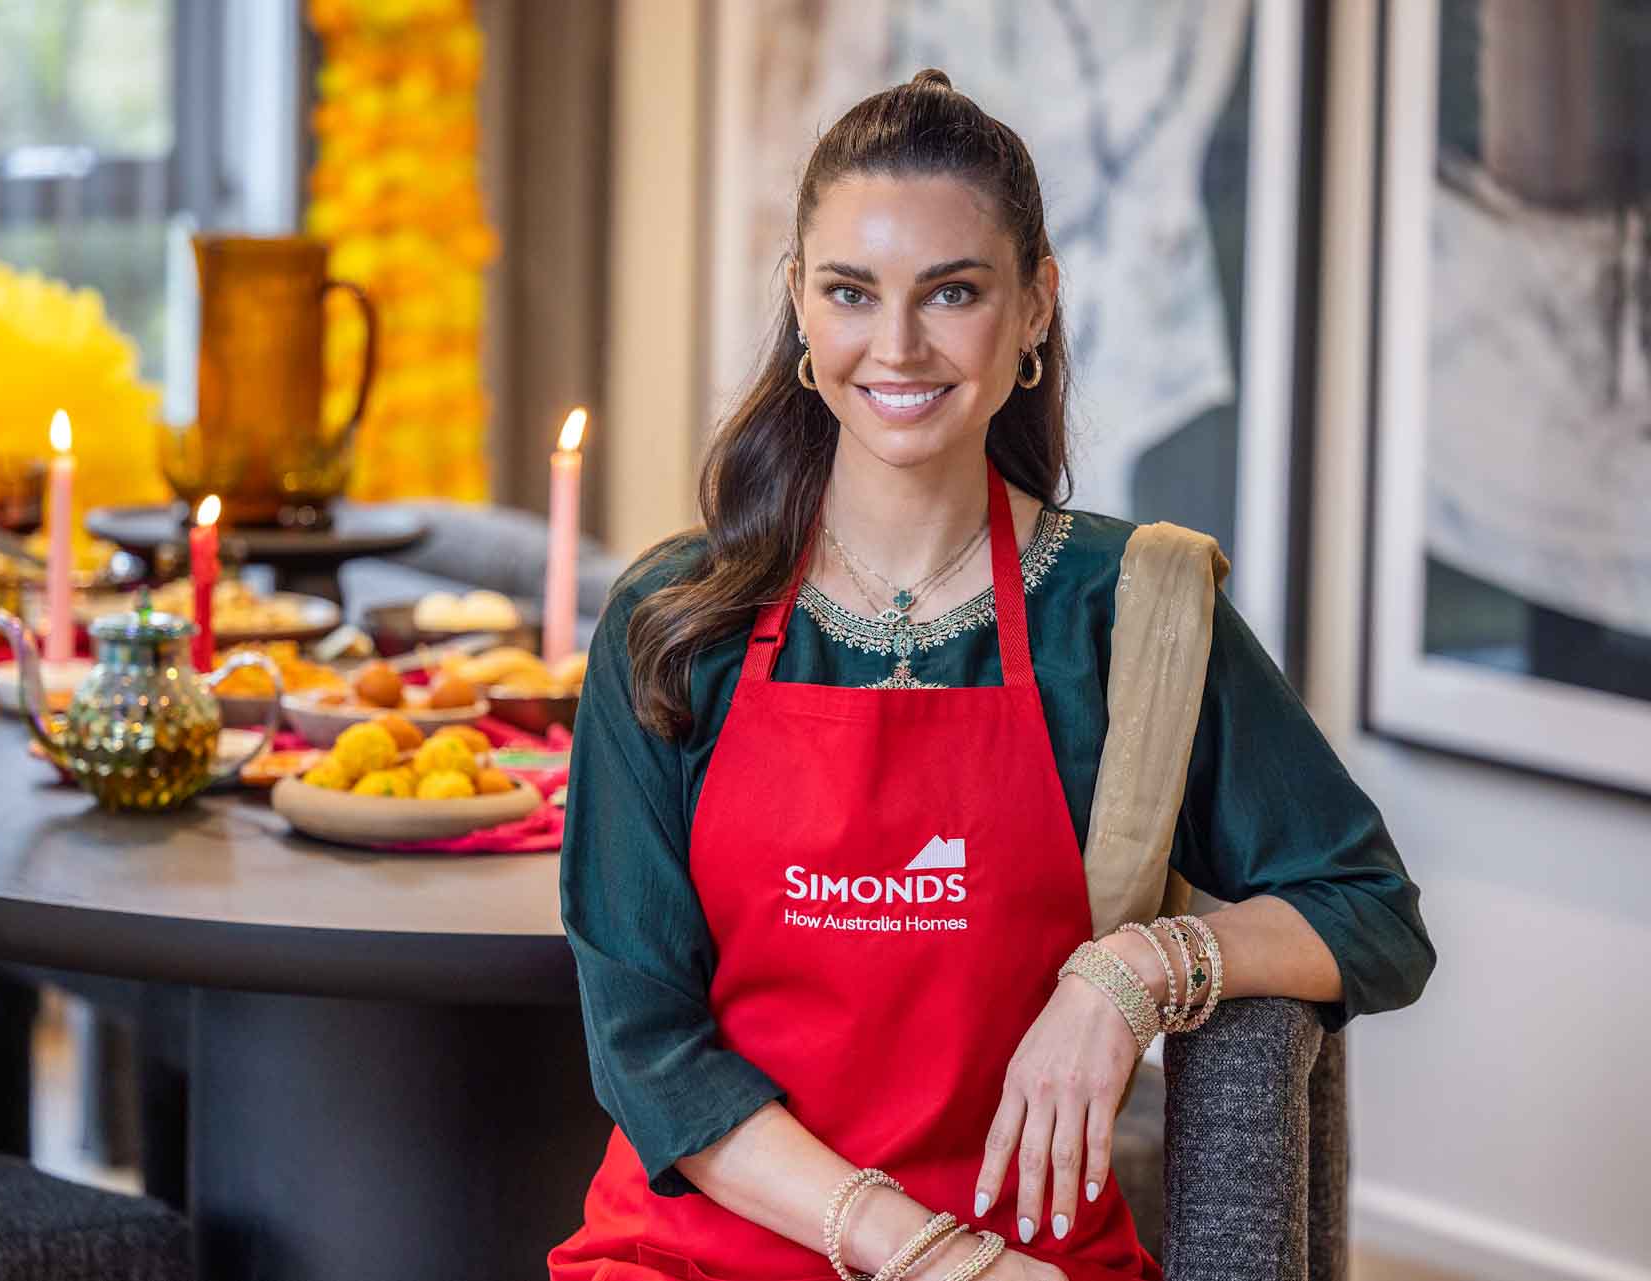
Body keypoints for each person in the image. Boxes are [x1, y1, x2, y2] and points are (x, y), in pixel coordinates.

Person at [548, 70, 1434, 1281]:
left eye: (952, 292)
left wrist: (1133, 972)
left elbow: (1372, 912)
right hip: (710, 1253)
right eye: (851, 292)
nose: (896, 346)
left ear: (1032, 311)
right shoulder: (678, 618)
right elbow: (647, 1050)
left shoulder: (1131, 613)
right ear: (801, 307)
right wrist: (919, 1252)